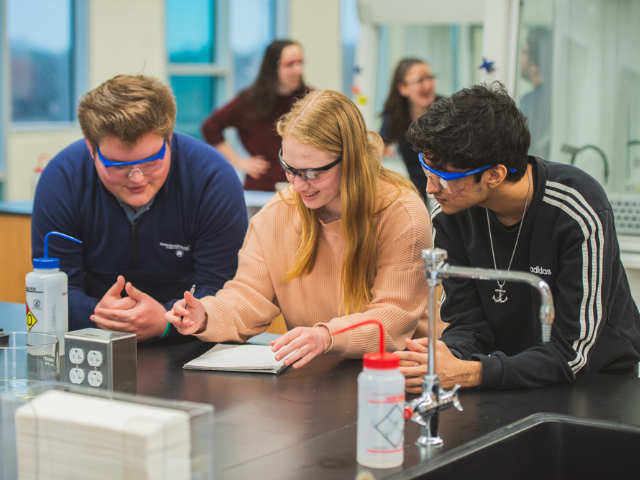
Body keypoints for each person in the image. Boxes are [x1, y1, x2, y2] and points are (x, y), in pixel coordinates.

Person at [399, 82, 640, 391]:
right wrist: (445, 358)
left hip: (597, 381)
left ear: (495, 175)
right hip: (506, 372)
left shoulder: (575, 209)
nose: (431, 189)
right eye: (427, 170)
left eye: (444, 178)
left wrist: (470, 373)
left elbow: (573, 352)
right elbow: (467, 324)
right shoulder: (450, 217)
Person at [166, 90, 432, 369]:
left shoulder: (401, 213)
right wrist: (207, 315)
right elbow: (248, 297)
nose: (297, 185)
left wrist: (327, 336)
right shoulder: (278, 213)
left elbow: (394, 316)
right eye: (290, 168)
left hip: (396, 375)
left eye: (313, 173)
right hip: (317, 374)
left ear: (351, 160)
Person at [31, 75, 248, 342]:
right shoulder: (62, 179)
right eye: (118, 165)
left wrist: (166, 321)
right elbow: (55, 290)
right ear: (91, 147)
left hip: (192, 348)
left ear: (169, 138)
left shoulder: (212, 179)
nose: (137, 178)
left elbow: (222, 290)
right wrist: (102, 316)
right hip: (90, 345)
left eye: (150, 162)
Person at [201, 39, 310, 191]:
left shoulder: (311, 99)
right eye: (290, 64)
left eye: (300, 62)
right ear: (273, 67)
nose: (297, 69)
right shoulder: (250, 100)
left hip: (303, 186)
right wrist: (239, 162)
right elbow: (210, 127)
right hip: (262, 188)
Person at [380, 58, 443, 195]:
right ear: (403, 88)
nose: (428, 85)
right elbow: (379, 145)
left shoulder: (449, 110)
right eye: (420, 80)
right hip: (416, 189)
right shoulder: (395, 115)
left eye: (430, 78)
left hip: (446, 187)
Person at [519, 27, 552, 159]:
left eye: (525, 52)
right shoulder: (554, 97)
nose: (521, 58)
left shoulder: (530, 101)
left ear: (535, 66)